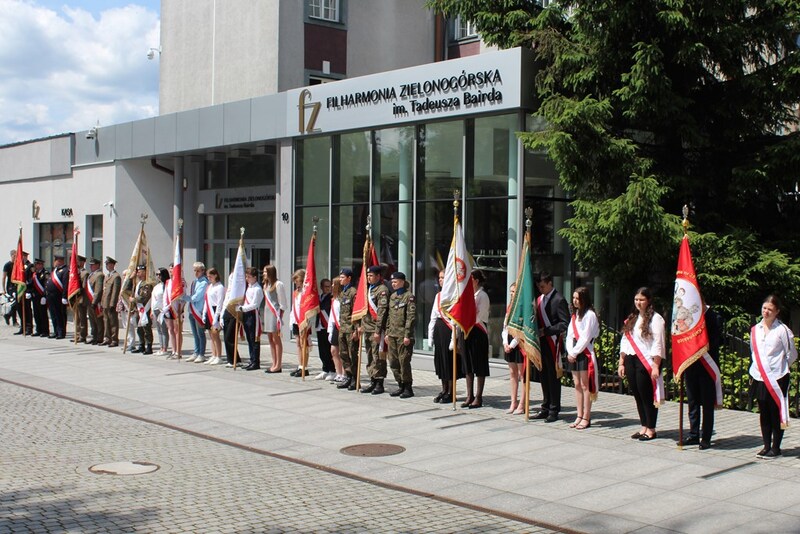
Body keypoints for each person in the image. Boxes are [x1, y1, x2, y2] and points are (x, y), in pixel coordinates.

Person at [749, 294, 797, 458]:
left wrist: (781, 368)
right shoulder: (755, 330)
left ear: (777, 311)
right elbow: (753, 352)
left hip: (778, 377)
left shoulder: (783, 330)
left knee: (775, 412)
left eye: (770, 309)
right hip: (760, 377)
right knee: (764, 411)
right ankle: (766, 445)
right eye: (764, 308)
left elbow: (792, 354)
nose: (766, 312)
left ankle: (776, 447)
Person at [618, 287, 666, 441]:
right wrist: (621, 362)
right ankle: (643, 426)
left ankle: (651, 428)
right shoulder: (633, 317)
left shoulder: (656, 319)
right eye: (636, 299)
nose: (638, 302)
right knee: (637, 395)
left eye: (641, 300)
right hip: (631, 359)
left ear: (649, 301)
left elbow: (658, 343)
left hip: (646, 361)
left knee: (646, 396)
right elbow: (625, 340)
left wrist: (656, 365)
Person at [683, 306, 723, 449]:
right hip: (691, 365)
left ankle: (705, 437)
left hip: (707, 366)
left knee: (707, 404)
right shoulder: (689, 316)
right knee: (692, 402)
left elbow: (715, 341)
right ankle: (694, 434)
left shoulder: (713, 316)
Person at [533, 271, 570, 422]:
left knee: (553, 377)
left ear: (549, 284)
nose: (540, 289)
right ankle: (545, 407)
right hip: (541, 343)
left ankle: (554, 409)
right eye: (538, 287)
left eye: (542, 286)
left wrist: (546, 331)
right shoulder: (539, 299)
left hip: (553, 342)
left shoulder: (559, 299)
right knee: (543, 376)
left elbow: (564, 323)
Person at [565, 287, 600, 430]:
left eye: (577, 298)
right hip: (574, 350)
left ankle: (586, 416)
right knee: (577, 384)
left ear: (584, 299)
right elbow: (569, 335)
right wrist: (570, 351)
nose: (574, 301)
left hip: (584, 352)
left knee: (586, 385)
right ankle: (579, 415)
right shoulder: (575, 315)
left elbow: (585, 337)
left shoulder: (590, 315)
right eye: (573, 298)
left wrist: (574, 352)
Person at [428, 269, 463, 403]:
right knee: (441, 361)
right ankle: (444, 389)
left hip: (450, 331)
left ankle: (451, 391)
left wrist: (454, 338)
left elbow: (457, 318)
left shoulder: (455, 296)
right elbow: (433, 316)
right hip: (439, 329)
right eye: (439, 278)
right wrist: (430, 336)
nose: (440, 280)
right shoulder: (438, 296)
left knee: (450, 362)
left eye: (443, 277)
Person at [360, 265, 390, 395]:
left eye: (371, 275)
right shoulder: (368, 289)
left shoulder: (382, 290)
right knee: (370, 355)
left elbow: (382, 312)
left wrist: (378, 331)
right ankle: (372, 380)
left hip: (375, 329)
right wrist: (361, 325)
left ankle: (379, 382)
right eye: (368, 275)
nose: (368, 278)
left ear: (378, 276)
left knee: (378, 356)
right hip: (367, 327)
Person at [463, 270, 490, 409]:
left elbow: (478, 316)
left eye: (471, 279)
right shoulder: (468, 295)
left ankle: (478, 397)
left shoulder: (482, 296)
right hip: (467, 331)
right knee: (468, 365)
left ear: (476, 280)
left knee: (479, 365)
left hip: (478, 331)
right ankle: (469, 395)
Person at [386, 271, 416, 398]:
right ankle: (400, 385)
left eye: (395, 282)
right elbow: (389, 316)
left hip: (403, 335)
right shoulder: (392, 297)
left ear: (402, 282)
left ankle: (408, 387)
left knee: (404, 362)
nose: (393, 284)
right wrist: (387, 332)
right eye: (392, 282)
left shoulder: (409, 297)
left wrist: (407, 335)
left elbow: (411, 317)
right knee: (393, 361)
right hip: (392, 334)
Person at [502, 283, 525, 414]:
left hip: (519, 343)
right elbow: (505, 327)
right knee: (512, 373)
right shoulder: (510, 308)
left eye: (514, 291)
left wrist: (512, 344)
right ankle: (513, 402)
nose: (512, 294)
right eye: (511, 291)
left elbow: (521, 329)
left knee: (522, 375)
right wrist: (505, 342)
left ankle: (522, 403)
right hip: (509, 342)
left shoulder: (522, 308)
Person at [336, 268, 359, 391]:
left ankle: (355, 379)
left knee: (352, 355)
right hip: (343, 328)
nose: (340, 279)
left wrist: (356, 330)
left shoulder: (353, 292)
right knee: (343, 354)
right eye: (340, 277)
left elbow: (355, 313)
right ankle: (349, 377)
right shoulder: (343, 292)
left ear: (349, 278)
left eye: (342, 277)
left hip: (350, 329)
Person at [262, 265, 287, 373]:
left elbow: (283, 303)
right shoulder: (266, 285)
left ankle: (278, 365)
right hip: (267, 312)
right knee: (270, 340)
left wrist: (279, 316)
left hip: (274, 313)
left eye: (265, 272)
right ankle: (274, 362)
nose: (263, 274)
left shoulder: (278, 284)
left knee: (276, 339)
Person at [238, 267, 264, 371]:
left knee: (254, 339)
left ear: (255, 277)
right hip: (246, 314)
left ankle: (256, 362)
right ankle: (251, 359)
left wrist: (243, 308)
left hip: (253, 315)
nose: (247, 278)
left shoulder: (257, 289)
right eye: (246, 276)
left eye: (249, 277)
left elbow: (255, 304)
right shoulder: (248, 287)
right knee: (249, 339)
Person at [289, 269, 312, 377]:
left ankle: (305, 367)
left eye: (297, 280)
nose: (296, 283)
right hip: (295, 320)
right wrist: (291, 320)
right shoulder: (296, 292)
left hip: (303, 321)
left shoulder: (306, 292)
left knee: (304, 344)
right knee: (298, 343)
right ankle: (300, 365)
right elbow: (294, 307)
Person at [188, 262, 209, 363]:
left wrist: (184, 297)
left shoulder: (204, 282)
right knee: (195, 334)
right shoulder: (195, 281)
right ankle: (196, 352)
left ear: (203, 271)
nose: (196, 273)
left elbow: (197, 297)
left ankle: (201, 353)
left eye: (198, 271)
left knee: (200, 333)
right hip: (192, 310)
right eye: (194, 270)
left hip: (198, 311)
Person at [163, 263, 185, 360]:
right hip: (168, 308)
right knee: (170, 330)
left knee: (177, 330)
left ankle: (178, 351)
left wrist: (181, 308)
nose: (171, 271)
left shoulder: (181, 282)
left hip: (177, 308)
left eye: (173, 269)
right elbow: (165, 295)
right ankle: (173, 350)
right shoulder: (168, 281)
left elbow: (183, 296)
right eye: (170, 269)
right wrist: (165, 307)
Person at [315, 278, 336, 380]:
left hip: (327, 325)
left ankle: (332, 370)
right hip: (320, 326)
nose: (328, 288)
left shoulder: (331, 298)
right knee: (322, 350)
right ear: (322, 287)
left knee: (329, 350)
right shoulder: (319, 297)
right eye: (326, 286)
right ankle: (325, 369)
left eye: (329, 286)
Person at [327, 278, 346, 383]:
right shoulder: (334, 299)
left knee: (343, 352)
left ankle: (344, 374)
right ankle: (338, 373)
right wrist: (330, 330)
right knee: (334, 351)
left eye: (334, 284)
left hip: (343, 327)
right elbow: (332, 316)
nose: (332, 286)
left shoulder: (343, 299)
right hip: (335, 327)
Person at [204, 267, 225, 365]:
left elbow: (220, 303)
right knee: (211, 336)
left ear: (215, 275)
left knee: (216, 335)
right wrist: (204, 313)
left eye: (210, 276)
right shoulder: (209, 286)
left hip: (216, 310)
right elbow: (206, 300)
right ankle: (213, 354)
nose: (209, 278)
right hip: (209, 310)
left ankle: (218, 356)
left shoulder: (220, 287)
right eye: (207, 276)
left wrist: (216, 317)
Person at [132, 265, 154, 355]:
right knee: (139, 328)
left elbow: (144, 297)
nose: (138, 273)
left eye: (139, 271)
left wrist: (134, 300)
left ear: (145, 272)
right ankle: (141, 345)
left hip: (145, 308)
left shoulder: (147, 283)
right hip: (139, 309)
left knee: (146, 328)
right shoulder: (138, 283)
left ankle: (149, 346)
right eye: (137, 272)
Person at [46, 254, 69, 339]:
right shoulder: (55, 270)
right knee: (53, 314)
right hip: (51, 296)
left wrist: (64, 296)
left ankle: (61, 332)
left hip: (58, 296)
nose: (55, 262)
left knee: (60, 315)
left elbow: (65, 284)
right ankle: (56, 331)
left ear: (61, 261)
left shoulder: (65, 270)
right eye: (55, 261)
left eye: (57, 261)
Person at [101, 257, 121, 347]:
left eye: (108, 264)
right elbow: (104, 291)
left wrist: (113, 303)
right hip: (105, 302)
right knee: (106, 321)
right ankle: (107, 338)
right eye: (106, 264)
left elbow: (115, 291)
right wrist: (102, 302)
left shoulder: (116, 276)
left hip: (111, 302)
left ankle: (114, 339)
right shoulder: (107, 276)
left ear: (112, 265)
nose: (106, 266)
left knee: (113, 322)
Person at [85, 258, 105, 344]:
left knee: (98, 320)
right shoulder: (91, 275)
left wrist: (94, 302)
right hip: (89, 301)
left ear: (97, 265)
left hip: (96, 302)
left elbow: (98, 289)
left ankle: (99, 337)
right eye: (90, 265)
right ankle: (94, 336)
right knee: (92, 320)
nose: (91, 266)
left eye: (92, 265)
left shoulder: (99, 275)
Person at [151, 268, 169, 355]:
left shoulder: (167, 285)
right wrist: (151, 310)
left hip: (163, 310)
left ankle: (165, 348)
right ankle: (161, 347)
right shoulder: (157, 286)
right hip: (156, 309)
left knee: (164, 329)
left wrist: (165, 309)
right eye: (157, 274)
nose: (158, 276)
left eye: (160, 274)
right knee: (158, 329)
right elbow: (153, 300)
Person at [71, 255, 89, 343]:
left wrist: (78, 293)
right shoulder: (75, 272)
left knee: (82, 318)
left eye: (78, 261)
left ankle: (82, 335)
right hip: (75, 298)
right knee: (76, 318)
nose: (76, 263)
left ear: (82, 262)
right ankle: (77, 334)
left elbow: (84, 286)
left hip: (81, 298)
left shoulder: (85, 273)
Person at [30, 258, 49, 338]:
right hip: (35, 297)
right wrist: (30, 292)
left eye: (37, 264)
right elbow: (31, 284)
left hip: (42, 297)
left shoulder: (45, 273)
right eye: (35, 264)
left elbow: (46, 285)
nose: (36, 266)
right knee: (36, 314)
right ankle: (38, 330)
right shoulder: (34, 274)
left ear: (41, 265)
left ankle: (45, 331)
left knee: (43, 314)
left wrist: (44, 296)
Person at [15, 251, 33, 336]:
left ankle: (29, 328)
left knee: (27, 309)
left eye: (23, 256)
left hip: (26, 291)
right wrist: (13, 291)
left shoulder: (30, 266)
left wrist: (28, 290)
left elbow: (31, 279)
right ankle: (23, 327)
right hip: (19, 291)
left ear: (26, 257)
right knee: (20, 309)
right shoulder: (18, 266)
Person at [2, 249, 18, 326]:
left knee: (17, 302)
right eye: (14, 256)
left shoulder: (18, 264)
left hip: (17, 285)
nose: (15, 257)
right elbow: (4, 277)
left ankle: (8, 315)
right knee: (14, 302)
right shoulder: (7, 265)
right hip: (10, 286)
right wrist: (4, 289)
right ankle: (14, 321)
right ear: (11, 256)